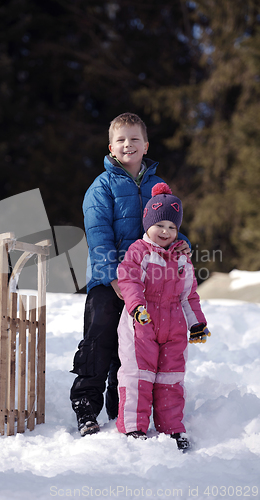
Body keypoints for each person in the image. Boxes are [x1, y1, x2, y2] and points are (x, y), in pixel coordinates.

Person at [70, 112, 191, 437]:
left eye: (134, 139)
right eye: (121, 140)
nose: (128, 144)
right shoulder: (102, 186)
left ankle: (119, 405)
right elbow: (98, 234)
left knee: (136, 345)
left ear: (146, 144)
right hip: (108, 280)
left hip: (149, 283)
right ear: (111, 147)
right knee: (101, 339)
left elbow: (170, 228)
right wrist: (111, 277)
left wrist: (183, 245)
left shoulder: (157, 186)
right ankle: (86, 406)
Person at [116, 182, 211, 451]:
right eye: (160, 225)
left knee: (170, 379)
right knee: (139, 376)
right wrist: (136, 307)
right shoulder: (139, 251)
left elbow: (189, 295)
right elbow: (129, 279)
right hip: (142, 324)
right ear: (148, 223)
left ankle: (172, 429)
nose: (166, 232)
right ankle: (134, 427)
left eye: (172, 227)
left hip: (174, 329)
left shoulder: (182, 258)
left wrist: (196, 323)